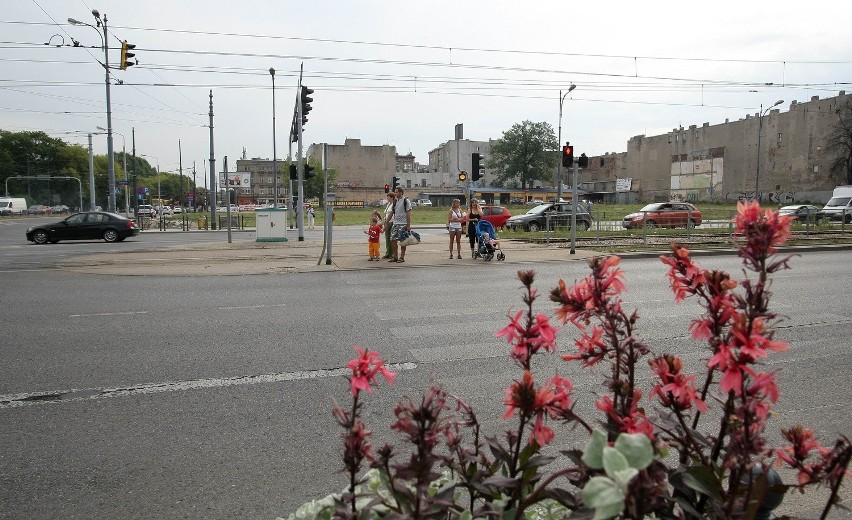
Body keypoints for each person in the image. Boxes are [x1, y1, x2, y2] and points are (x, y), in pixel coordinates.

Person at [388, 187, 411, 263]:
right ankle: (395, 256)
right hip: (395, 223)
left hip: (403, 224)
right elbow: (391, 212)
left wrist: (408, 225)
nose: (395, 193)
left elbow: (408, 213)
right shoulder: (395, 201)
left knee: (402, 241)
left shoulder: (406, 201)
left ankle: (402, 257)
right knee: (392, 239)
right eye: (395, 192)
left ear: (401, 192)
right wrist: (387, 221)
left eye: (397, 192)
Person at [382, 192, 395, 259]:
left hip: (391, 222)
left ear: (392, 197)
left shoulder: (393, 205)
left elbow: (392, 214)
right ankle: (388, 252)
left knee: (391, 238)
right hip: (387, 222)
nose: (387, 198)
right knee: (387, 238)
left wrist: (387, 223)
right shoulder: (388, 204)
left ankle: (391, 253)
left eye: (388, 197)